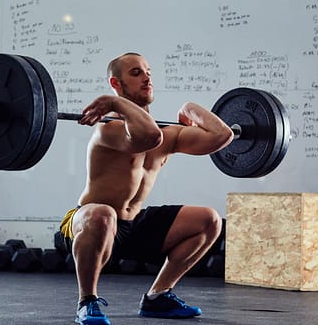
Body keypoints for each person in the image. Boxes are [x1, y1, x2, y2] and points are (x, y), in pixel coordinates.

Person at [60, 52, 233, 325]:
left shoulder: (169, 134)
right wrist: (116, 104)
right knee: (103, 214)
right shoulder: (109, 129)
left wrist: (189, 108)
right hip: (89, 222)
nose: (146, 77)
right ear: (116, 83)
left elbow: (222, 136)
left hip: (132, 224)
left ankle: (158, 296)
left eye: (148, 71)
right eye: (136, 73)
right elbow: (148, 137)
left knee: (209, 221)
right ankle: (87, 302)